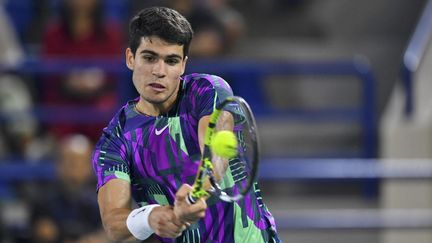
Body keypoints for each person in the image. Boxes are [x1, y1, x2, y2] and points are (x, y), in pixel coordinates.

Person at [92, 6, 280, 243]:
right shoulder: (115, 138)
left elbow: (214, 151)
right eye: (149, 58)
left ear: (183, 65)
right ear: (130, 58)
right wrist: (152, 217)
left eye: (171, 61)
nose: (159, 71)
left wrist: (201, 186)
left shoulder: (208, 90)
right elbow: (113, 224)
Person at [40, 0, 124, 142]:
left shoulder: (110, 33)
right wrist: (68, 81)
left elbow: (113, 75)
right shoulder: (53, 33)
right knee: (60, 113)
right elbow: (49, 74)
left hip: (99, 98)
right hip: (64, 98)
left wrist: (95, 82)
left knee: (107, 110)